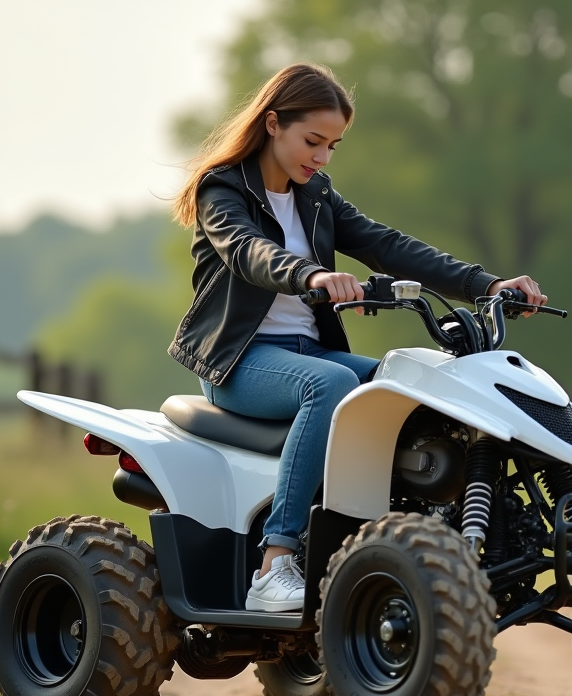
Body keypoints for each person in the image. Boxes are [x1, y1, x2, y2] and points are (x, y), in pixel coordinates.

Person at [170, 63, 546, 612]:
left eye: (332, 147)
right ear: (273, 124)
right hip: (239, 362)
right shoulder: (222, 189)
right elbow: (249, 252)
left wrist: (485, 284)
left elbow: (387, 246)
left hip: (312, 355)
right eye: (312, 141)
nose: (321, 157)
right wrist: (312, 276)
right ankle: (275, 563)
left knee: (420, 390)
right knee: (329, 384)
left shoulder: (315, 194)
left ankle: (403, 546)